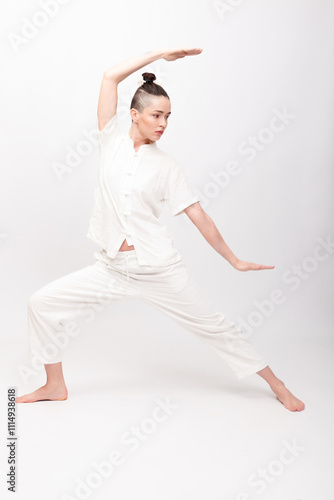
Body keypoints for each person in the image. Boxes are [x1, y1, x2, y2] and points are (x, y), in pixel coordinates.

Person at [15, 47, 304, 411]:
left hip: (157, 269)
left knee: (216, 328)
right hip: (110, 268)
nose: (163, 123)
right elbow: (109, 77)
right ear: (134, 115)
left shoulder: (167, 166)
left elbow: (200, 216)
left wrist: (234, 260)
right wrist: (158, 55)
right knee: (40, 303)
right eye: (156, 115)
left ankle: (278, 385)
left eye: (168, 117)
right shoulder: (110, 142)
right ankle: (54, 385)